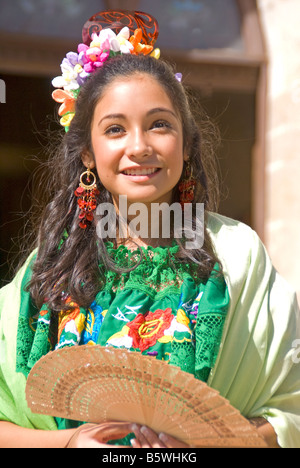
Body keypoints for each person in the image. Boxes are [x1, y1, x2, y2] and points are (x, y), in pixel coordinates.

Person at [0, 11, 299, 449]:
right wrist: (68, 445)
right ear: (87, 153)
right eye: (115, 129)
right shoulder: (49, 269)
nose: (139, 147)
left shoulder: (236, 257)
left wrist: (200, 447)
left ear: (186, 141)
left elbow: (290, 416)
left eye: (159, 124)